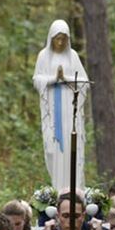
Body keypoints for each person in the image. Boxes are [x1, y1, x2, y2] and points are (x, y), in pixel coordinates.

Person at [33, 20, 89, 190]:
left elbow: (84, 82)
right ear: (51, 38)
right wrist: (53, 79)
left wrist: (66, 79)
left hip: (69, 109)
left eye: (63, 39)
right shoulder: (44, 56)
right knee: (53, 149)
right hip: (53, 110)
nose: (60, 42)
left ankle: (74, 189)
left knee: (72, 145)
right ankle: (58, 189)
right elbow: (37, 79)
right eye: (57, 39)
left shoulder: (73, 56)